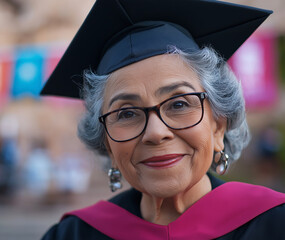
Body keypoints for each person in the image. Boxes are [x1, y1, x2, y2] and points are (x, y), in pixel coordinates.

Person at [40, 0, 285, 239]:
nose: (156, 133)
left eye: (179, 104)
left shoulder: (274, 225)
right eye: (126, 113)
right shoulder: (72, 234)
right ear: (107, 144)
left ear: (218, 126)